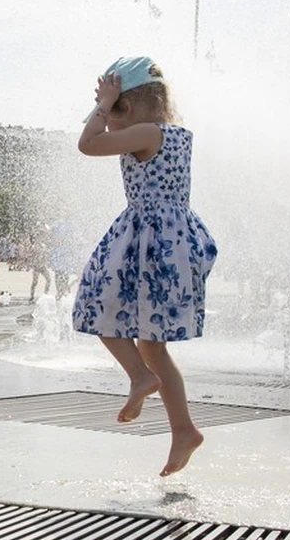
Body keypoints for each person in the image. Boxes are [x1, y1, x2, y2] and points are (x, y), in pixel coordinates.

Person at [73, 57, 217, 477]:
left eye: (111, 113)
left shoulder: (145, 132)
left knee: (95, 304)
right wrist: (109, 105)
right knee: (155, 345)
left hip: (146, 238)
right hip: (172, 242)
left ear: (129, 105)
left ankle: (138, 376)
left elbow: (87, 143)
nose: (106, 123)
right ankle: (183, 429)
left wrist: (103, 104)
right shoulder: (176, 134)